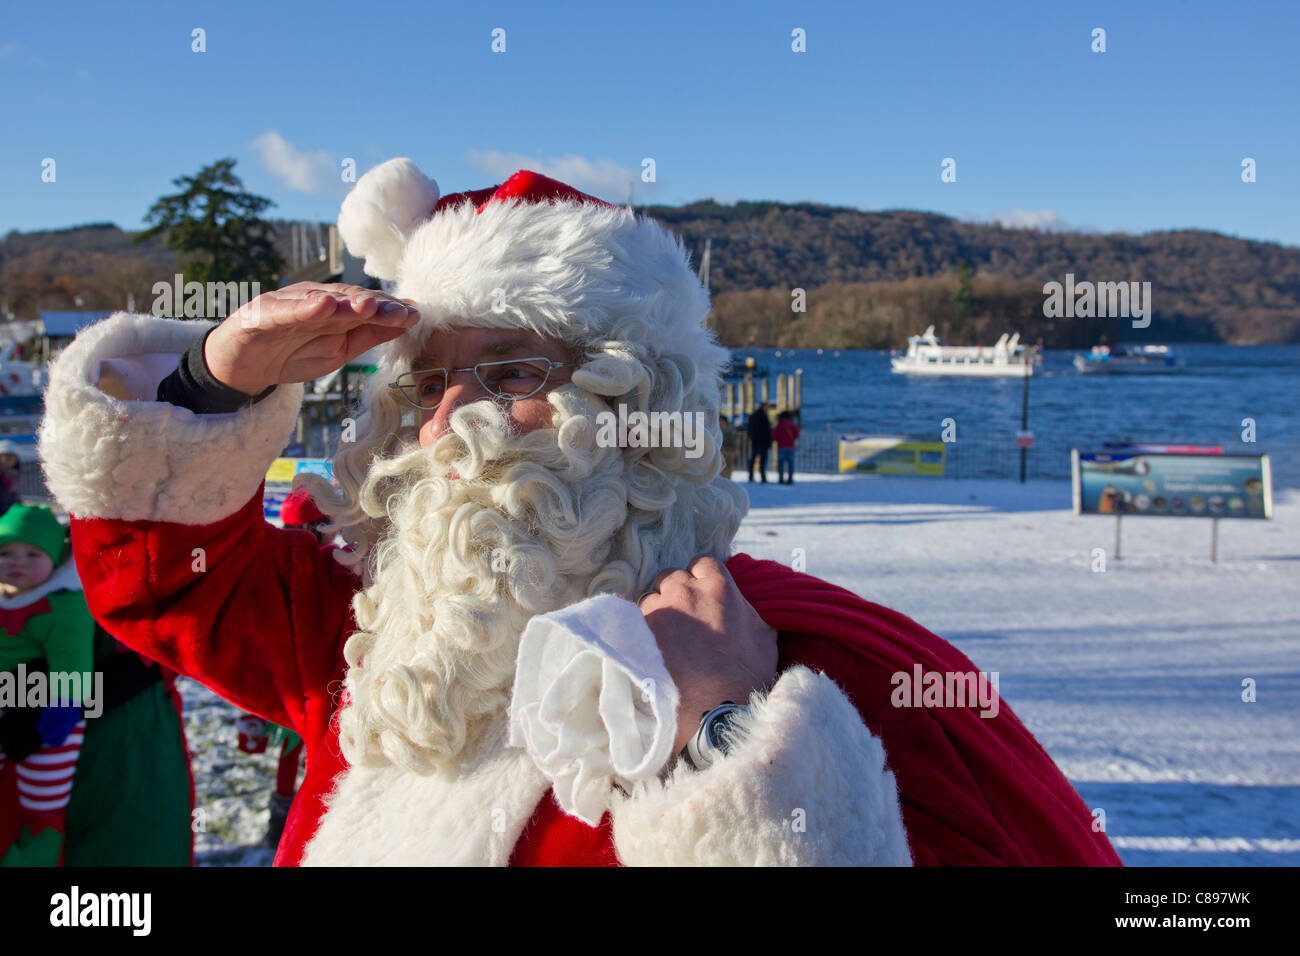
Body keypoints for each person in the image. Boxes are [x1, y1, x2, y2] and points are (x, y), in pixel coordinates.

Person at [38, 159, 1120, 866]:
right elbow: (176, 582)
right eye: (424, 385)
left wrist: (732, 752)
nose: (452, 422)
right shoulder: (396, 638)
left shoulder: (826, 669)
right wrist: (207, 386)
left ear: (633, 395)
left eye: (511, 370)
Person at [0, 505, 93, 866]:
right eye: (5, 552)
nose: (16, 562)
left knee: (43, 800)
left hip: (49, 716)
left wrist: (65, 706)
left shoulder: (63, 604)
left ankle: (37, 859)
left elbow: (73, 660)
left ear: (54, 559)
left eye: (32, 553)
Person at [746, 402, 772, 483]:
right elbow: (767, 431)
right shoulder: (763, 416)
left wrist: (751, 437)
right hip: (763, 442)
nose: (767, 409)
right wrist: (769, 442)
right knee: (762, 461)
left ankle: (750, 476)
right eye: (767, 407)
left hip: (754, 441)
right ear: (763, 407)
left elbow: (749, 429)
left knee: (753, 459)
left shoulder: (753, 416)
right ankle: (763, 477)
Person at [773, 410, 800, 484]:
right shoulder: (792, 424)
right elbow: (797, 435)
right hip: (790, 446)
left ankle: (781, 479)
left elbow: (774, 436)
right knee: (791, 464)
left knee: (781, 464)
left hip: (781, 447)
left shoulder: (780, 425)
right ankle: (790, 479)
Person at [0, 441, 22, 516]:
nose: (9, 458)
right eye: (5, 455)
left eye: (12, 456)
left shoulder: (14, 474)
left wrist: (20, 508)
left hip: (11, 513)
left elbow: (14, 496)